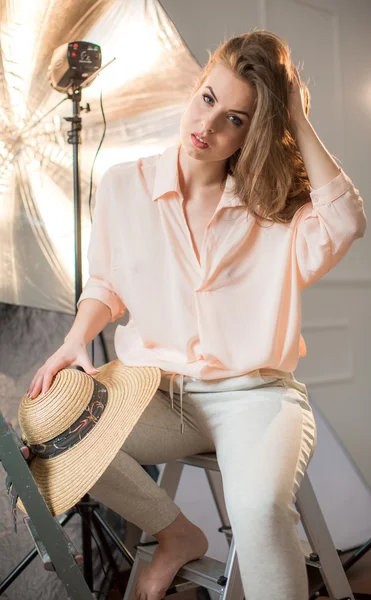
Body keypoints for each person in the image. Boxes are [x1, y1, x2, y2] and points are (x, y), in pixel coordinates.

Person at [27, 30, 367, 600]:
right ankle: (177, 535)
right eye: (208, 99)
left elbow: (346, 223)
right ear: (196, 86)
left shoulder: (274, 208)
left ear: (255, 130)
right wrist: (74, 341)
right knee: (62, 434)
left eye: (235, 119)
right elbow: (108, 284)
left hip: (256, 396)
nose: (207, 128)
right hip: (155, 393)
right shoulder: (123, 186)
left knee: (258, 509)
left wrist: (296, 119)